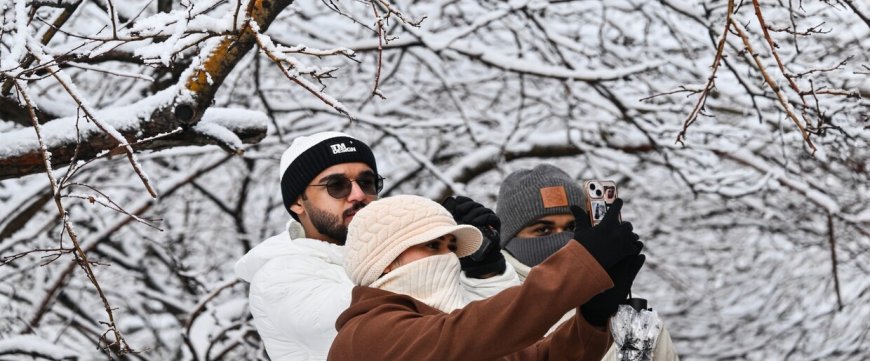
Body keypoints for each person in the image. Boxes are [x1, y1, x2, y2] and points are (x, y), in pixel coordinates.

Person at [233, 131, 518, 361]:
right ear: (297, 202)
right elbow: (389, 322)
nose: (358, 195)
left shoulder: (402, 256)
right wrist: (428, 246)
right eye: (336, 185)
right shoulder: (278, 277)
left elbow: (502, 332)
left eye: (368, 182)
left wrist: (483, 267)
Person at [328, 194, 645, 361]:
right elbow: (473, 330)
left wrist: (592, 315)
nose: (449, 258)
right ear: (385, 261)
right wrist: (581, 263)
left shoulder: (439, 332)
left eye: (452, 247)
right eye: (432, 245)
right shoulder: (366, 335)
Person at [496, 163, 680, 361]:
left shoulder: (632, 315)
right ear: (509, 239)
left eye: (573, 227)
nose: (561, 239)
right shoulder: (491, 307)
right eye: (543, 230)